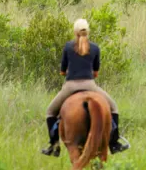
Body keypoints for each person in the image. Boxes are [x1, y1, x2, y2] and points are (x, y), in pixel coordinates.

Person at [42, 19, 130, 156]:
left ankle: (54, 146)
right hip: (90, 85)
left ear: (75, 32)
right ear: (88, 31)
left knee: (50, 112)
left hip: (70, 86)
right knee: (114, 108)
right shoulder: (95, 47)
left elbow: (62, 71)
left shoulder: (68, 46)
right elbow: (96, 72)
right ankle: (114, 144)